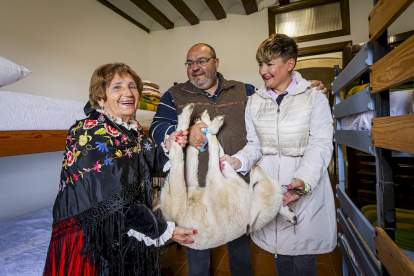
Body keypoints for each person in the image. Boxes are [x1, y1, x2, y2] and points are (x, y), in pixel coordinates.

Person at [150, 43, 327, 276]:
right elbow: (157, 128)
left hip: (237, 185)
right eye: (190, 63)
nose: (195, 68)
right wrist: (184, 131)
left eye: (202, 61)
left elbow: (277, 95)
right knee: (197, 252)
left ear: (216, 62)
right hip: (195, 191)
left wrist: (306, 88)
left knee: (239, 249)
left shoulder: (245, 90)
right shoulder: (173, 95)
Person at [43, 63, 196, 276]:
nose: (128, 93)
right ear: (100, 98)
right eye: (117, 87)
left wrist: (169, 145)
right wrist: (163, 230)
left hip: (123, 232)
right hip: (92, 239)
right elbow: (116, 200)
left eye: (132, 86)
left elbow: (145, 163)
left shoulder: (132, 132)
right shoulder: (88, 132)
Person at [221, 34, 337, 276]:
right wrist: (237, 161)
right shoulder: (254, 102)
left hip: (304, 185)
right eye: (260, 64)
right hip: (270, 187)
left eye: (270, 63)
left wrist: (303, 183)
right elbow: (255, 146)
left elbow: (321, 144)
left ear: (290, 63)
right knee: (279, 251)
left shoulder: (314, 97)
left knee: (303, 256)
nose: (263, 70)